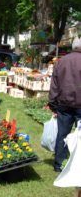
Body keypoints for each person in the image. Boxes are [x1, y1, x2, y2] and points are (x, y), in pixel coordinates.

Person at [49, 36, 81, 173]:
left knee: (62, 134)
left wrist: (53, 103)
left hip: (64, 104)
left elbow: (54, 85)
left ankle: (58, 164)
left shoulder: (61, 62)